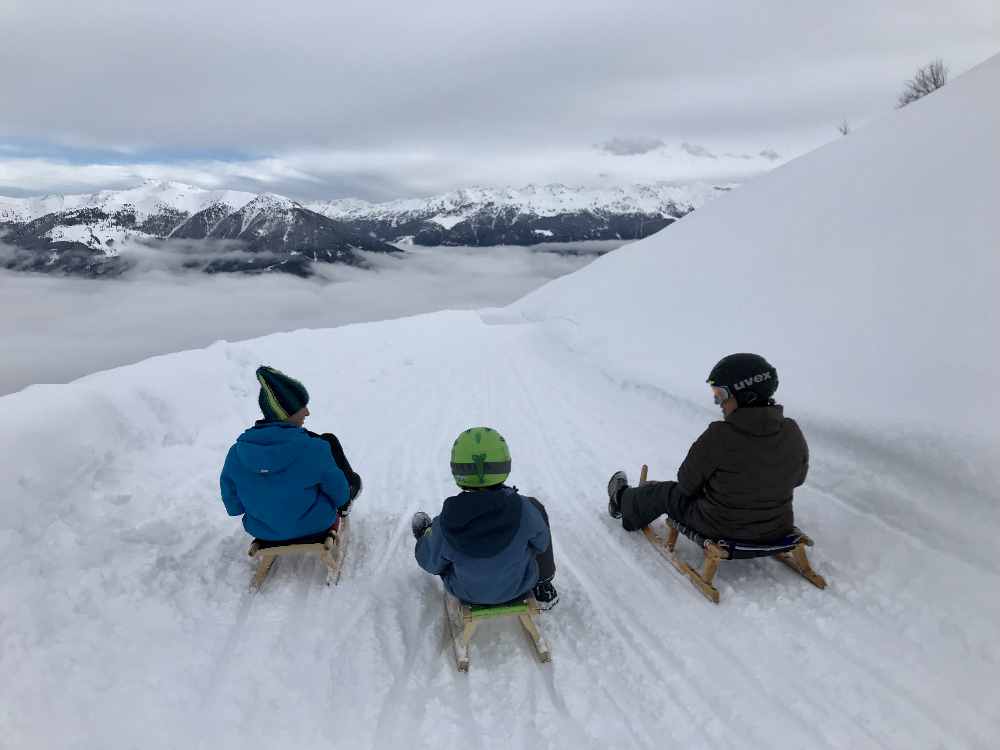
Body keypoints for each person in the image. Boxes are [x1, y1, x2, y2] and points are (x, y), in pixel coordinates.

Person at [607, 353, 808, 543]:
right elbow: (798, 479)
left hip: (721, 527)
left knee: (668, 493)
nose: (718, 403)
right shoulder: (792, 430)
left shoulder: (721, 435)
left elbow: (686, 483)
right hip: (777, 527)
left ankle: (622, 501)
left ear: (747, 396)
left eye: (721, 395)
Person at [411, 427, 558, 609]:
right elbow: (541, 544)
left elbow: (429, 563)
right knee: (536, 513)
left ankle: (427, 536)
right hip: (519, 587)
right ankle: (544, 582)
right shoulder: (526, 509)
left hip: (467, 592)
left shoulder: (447, 520)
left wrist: (428, 545)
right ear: (505, 464)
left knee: (440, 548)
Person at [220, 365, 362, 541]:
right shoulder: (314, 449)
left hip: (262, 530)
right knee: (350, 480)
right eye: (301, 407)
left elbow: (233, 507)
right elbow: (340, 495)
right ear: (285, 414)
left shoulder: (235, 454)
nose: (307, 412)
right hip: (314, 525)